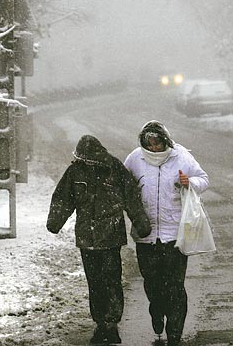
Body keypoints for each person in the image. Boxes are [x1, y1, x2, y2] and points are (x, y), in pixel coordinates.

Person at [47, 135, 151, 345]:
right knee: (95, 282)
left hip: (110, 237)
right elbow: (63, 198)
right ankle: (101, 323)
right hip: (87, 238)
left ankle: (111, 323)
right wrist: (55, 222)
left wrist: (140, 221)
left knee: (111, 280)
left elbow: (131, 196)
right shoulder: (75, 172)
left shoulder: (114, 168)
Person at [124, 120, 209, 346]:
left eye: (157, 143)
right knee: (152, 283)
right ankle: (156, 310)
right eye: (148, 143)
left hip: (174, 236)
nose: (153, 148)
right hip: (146, 236)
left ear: (165, 141)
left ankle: (175, 332)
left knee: (175, 286)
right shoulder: (135, 159)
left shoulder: (181, 157)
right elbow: (123, 186)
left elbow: (204, 179)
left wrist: (189, 182)